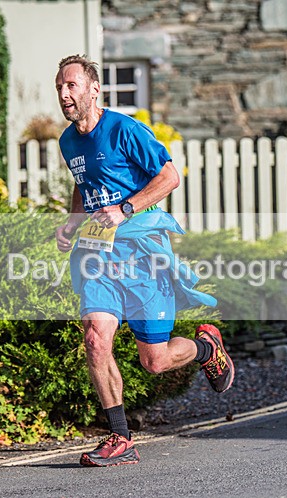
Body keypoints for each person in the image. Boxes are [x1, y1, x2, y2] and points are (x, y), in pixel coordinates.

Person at [53, 55, 235, 466]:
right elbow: (84, 184)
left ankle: (205, 348)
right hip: (100, 257)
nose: (64, 94)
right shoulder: (68, 141)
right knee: (95, 338)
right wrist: (72, 222)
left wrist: (126, 209)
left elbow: (169, 177)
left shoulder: (125, 130)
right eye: (60, 87)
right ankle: (120, 437)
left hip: (142, 256)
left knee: (155, 361)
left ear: (94, 89)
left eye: (71, 85)